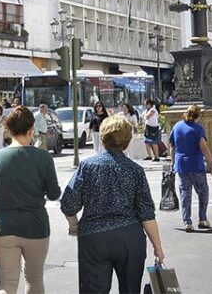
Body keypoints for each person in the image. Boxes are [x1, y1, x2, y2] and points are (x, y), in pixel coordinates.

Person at [60, 116, 164, 294]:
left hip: (94, 237)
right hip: (129, 236)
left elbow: (68, 202)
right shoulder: (135, 171)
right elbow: (147, 215)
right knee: (131, 289)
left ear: (102, 138)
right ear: (127, 141)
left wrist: (74, 225)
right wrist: (158, 247)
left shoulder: (87, 166)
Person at [0, 106, 61, 294]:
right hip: (35, 226)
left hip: (4, 228)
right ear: (31, 130)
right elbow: (54, 194)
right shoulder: (43, 157)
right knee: (34, 281)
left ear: (9, 130)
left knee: (7, 283)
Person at [168, 104, 212, 233]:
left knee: (185, 193)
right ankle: (202, 219)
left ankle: (187, 222)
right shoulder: (198, 129)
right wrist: (211, 163)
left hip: (181, 165)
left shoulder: (177, 126)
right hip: (196, 164)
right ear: (198, 116)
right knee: (203, 191)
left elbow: (172, 146)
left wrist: (173, 161)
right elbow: (204, 148)